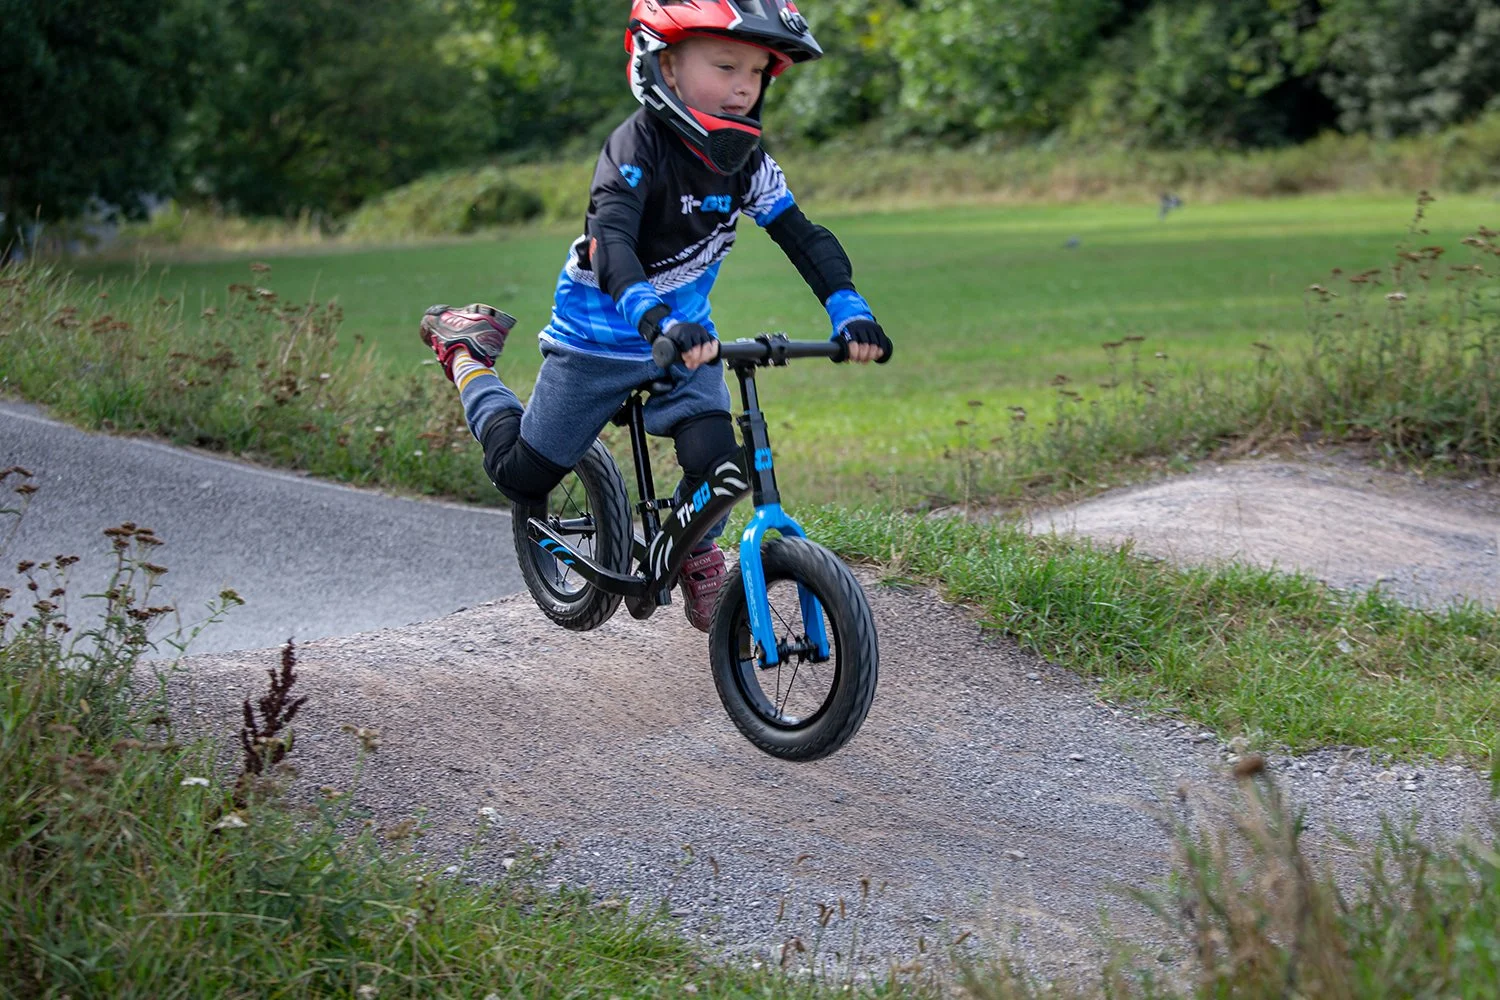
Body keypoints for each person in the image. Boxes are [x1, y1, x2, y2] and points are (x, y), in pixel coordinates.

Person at [420, 0, 892, 631]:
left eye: (756, 72)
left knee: (722, 462)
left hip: (687, 344)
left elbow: (802, 235)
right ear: (666, 66)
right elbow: (611, 245)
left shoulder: (745, 162)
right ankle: (467, 355)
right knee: (522, 475)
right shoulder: (634, 146)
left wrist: (849, 309)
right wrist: (656, 320)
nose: (744, 86)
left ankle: (696, 552)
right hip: (599, 337)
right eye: (725, 65)